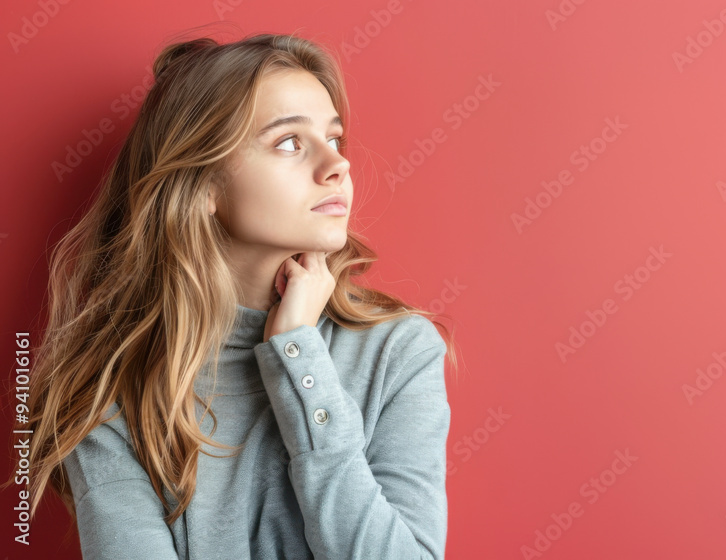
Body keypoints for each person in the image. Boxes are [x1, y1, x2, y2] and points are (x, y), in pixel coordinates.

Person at [3, 31, 458, 559]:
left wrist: (298, 358)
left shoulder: (399, 352)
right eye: (290, 142)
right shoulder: (109, 388)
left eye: (334, 140)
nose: (338, 166)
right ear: (202, 187)